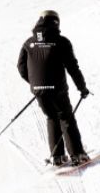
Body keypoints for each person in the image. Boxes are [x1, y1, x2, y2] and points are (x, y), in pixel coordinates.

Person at [18, 9, 89, 166]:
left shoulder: (28, 43)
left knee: (52, 117)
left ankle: (57, 157)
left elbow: (21, 67)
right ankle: (77, 155)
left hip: (39, 91)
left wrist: (35, 84)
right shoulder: (61, 41)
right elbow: (72, 67)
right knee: (66, 118)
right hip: (58, 89)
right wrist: (82, 88)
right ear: (56, 22)